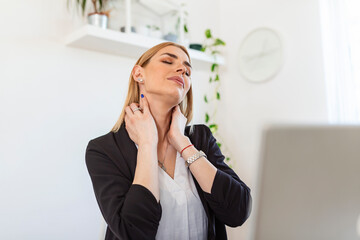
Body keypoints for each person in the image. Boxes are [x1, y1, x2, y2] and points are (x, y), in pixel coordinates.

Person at [85, 42, 252, 240]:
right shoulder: (103, 150)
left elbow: (238, 211)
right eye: (167, 61)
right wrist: (147, 143)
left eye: (188, 72)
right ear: (139, 74)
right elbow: (133, 232)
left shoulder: (200, 138)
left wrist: (182, 143)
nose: (182, 70)